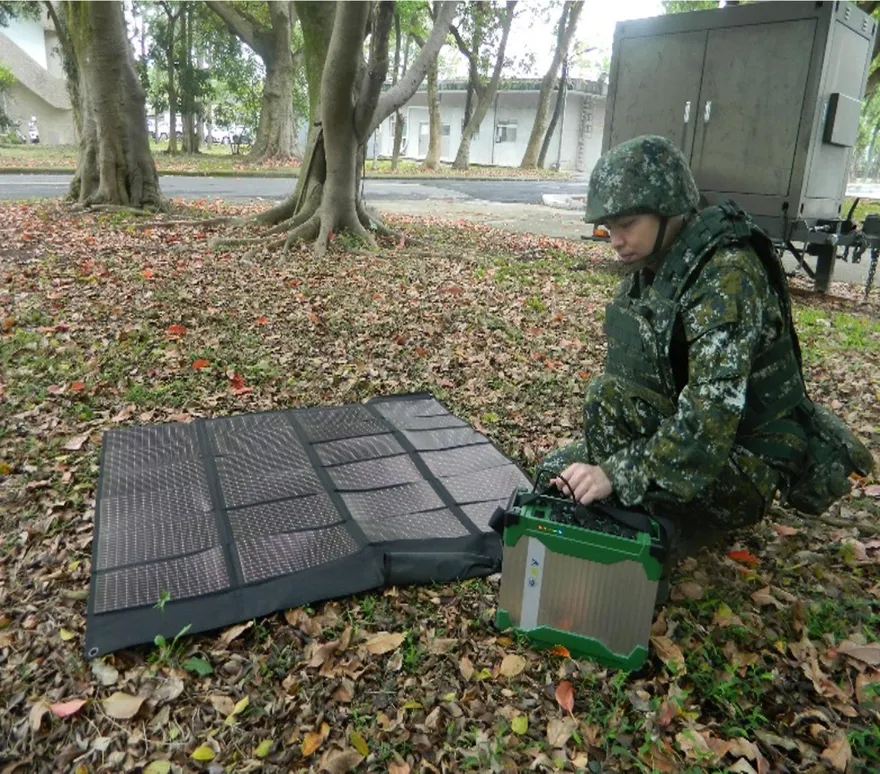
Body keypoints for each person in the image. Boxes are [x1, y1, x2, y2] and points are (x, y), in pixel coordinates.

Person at [541, 134, 870, 559]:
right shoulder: (656, 267)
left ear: (669, 212)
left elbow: (708, 427)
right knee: (554, 477)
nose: (615, 241)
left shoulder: (726, 278)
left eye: (627, 226)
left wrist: (614, 473)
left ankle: (668, 527)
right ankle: (643, 513)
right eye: (609, 228)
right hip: (692, 438)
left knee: (597, 490)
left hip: (744, 460)